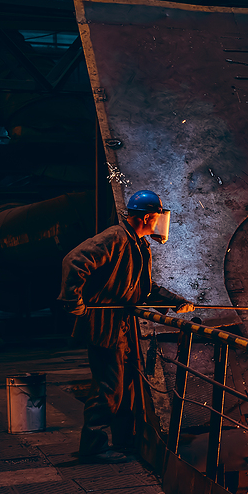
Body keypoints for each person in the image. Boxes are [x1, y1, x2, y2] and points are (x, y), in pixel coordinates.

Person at [57, 190, 195, 461]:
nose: (158, 223)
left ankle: (124, 440)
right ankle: (93, 447)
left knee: (127, 385)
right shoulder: (115, 238)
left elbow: (142, 288)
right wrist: (74, 303)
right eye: (156, 217)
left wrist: (175, 301)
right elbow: (74, 260)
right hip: (104, 324)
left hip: (121, 324)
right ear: (146, 217)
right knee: (109, 386)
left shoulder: (139, 244)